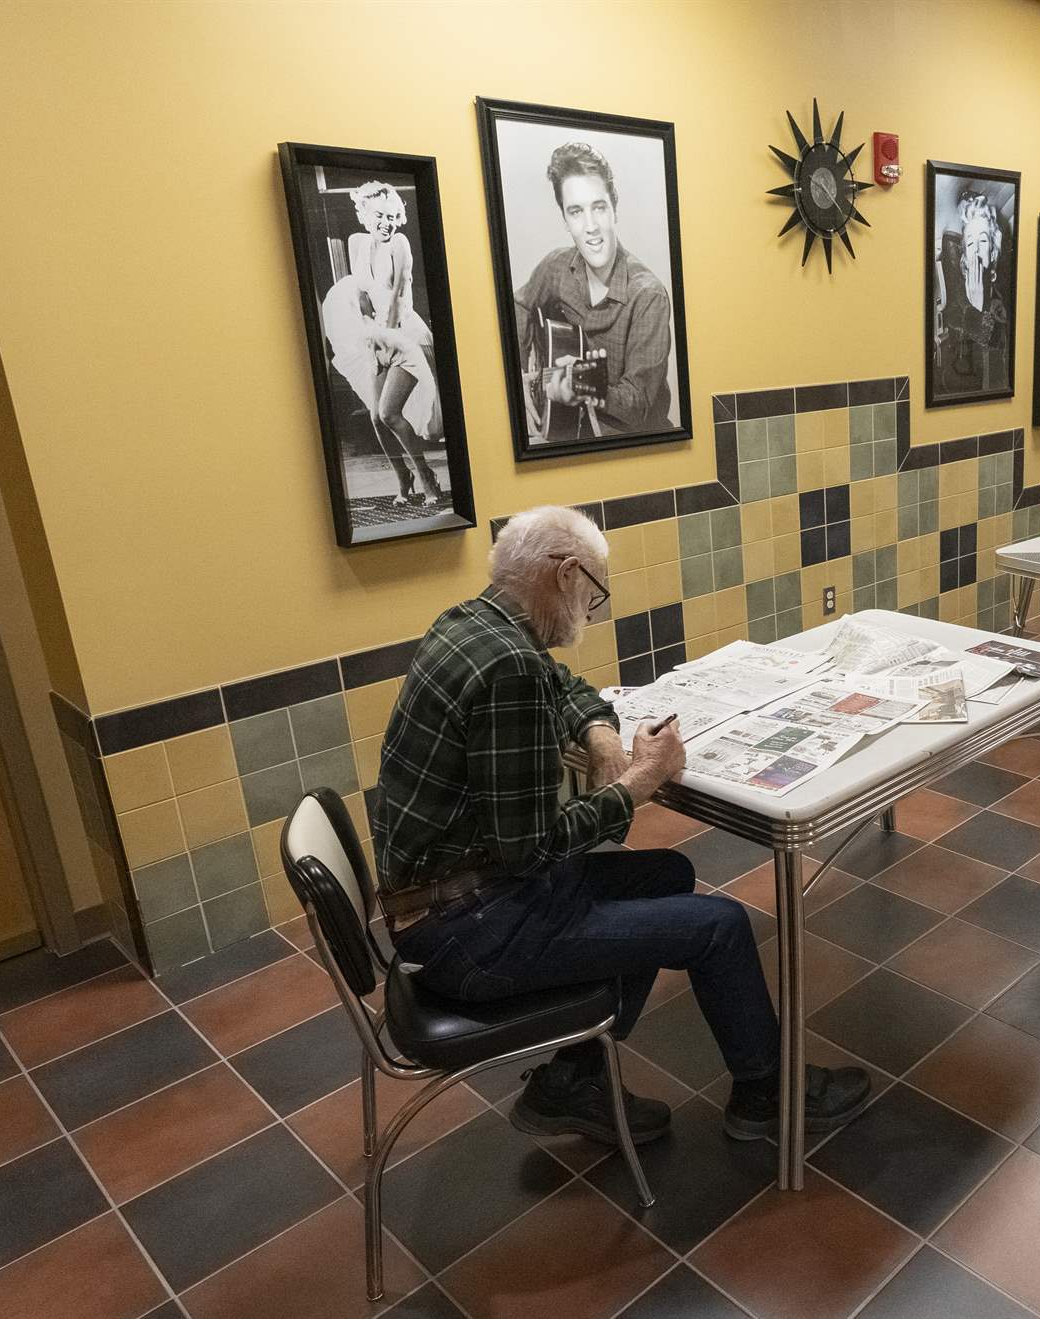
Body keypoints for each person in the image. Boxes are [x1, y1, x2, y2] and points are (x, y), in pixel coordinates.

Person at [373, 505, 869, 1146]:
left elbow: (567, 686)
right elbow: (533, 848)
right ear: (566, 573)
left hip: (447, 903)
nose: (588, 612)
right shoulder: (509, 669)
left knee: (670, 871)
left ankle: (574, 1081)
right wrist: (642, 780)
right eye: (593, 595)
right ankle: (767, 1097)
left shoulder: (473, 625)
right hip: (472, 933)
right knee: (719, 927)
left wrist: (601, 736)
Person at [514, 143, 675, 442]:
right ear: (565, 219)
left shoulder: (648, 295)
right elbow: (518, 308)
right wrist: (521, 378)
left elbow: (637, 404)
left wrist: (584, 383)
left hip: (638, 450)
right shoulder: (555, 267)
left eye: (598, 207)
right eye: (576, 211)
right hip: (572, 438)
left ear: (614, 208)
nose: (590, 227)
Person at [321, 181, 447, 508]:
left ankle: (425, 477)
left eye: (392, 216)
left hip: (405, 338)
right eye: (379, 215)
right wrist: (369, 332)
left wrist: (383, 345)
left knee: (390, 413)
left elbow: (395, 301)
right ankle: (402, 477)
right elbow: (362, 293)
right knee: (376, 418)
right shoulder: (358, 243)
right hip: (379, 335)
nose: (386, 223)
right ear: (363, 215)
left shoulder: (399, 245)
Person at [934, 189, 1010, 397]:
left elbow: (998, 371)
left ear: (993, 251)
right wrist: (975, 308)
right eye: (970, 243)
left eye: (983, 241)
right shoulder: (956, 305)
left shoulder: (1001, 300)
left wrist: (982, 306)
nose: (976, 249)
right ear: (964, 257)